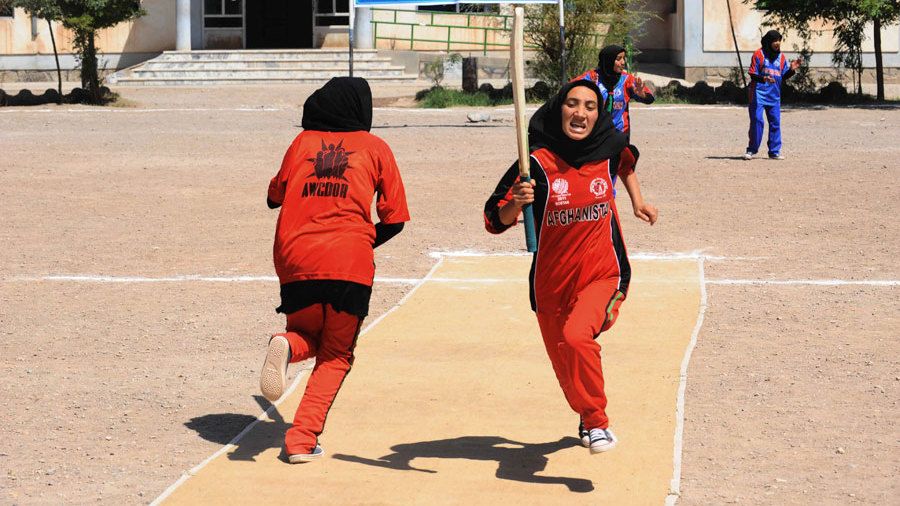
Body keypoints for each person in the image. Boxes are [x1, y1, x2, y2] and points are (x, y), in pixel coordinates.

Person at [483, 80, 658, 454]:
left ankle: (598, 423)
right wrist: (516, 203)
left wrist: (637, 202)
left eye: (590, 107)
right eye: (573, 104)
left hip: (602, 273)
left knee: (579, 337)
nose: (581, 113)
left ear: (599, 114)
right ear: (559, 109)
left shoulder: (609, 149)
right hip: (550, 286)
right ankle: (585, 414)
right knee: (568, 374)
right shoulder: (536, 164)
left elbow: (626, 165)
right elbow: (493, 221)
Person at [260, 77, 410, 463]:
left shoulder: (302, 144)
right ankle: (300, 440)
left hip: (295, 258)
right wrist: (358, 242)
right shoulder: (376, 148)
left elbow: (273, 197)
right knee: (337, 355)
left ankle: (288, 346)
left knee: (306, 333)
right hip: (348, 262)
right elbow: (395, 219)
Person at [573, 44, 655, 142]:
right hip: (594, 133)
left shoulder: (627, 80)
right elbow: (567, 91)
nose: (623, 62)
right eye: (618, 59)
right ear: (608, 60)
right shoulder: (592, 78)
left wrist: (642, 95)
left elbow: (649, 99)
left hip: (619, 133)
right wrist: (585, 90)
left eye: (624, 58)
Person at [744, 30, 802, 160]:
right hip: (758, 94)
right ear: (768, 42)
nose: (777, 43)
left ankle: (774, 151)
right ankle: (751, 150)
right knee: (757, 121)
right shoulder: (758, 54)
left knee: (775, 123)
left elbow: (783, 76)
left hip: (774, 95)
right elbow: (752, 74)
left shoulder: (781, 57)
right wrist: (764, 79)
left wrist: (792, 70)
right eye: (775, 40)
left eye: (779, 40)